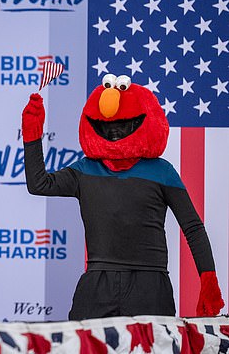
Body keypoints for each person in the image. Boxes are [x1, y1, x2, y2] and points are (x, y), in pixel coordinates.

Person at [20, 73, 224, 319]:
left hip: (150, 287)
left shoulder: (162, 171)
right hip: (97, 284)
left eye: (121, 126)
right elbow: (39, 184)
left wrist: (208, 280)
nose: (115, 131)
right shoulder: (84, 170)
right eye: (109, 127)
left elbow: (192, 228)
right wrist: (32, 136)